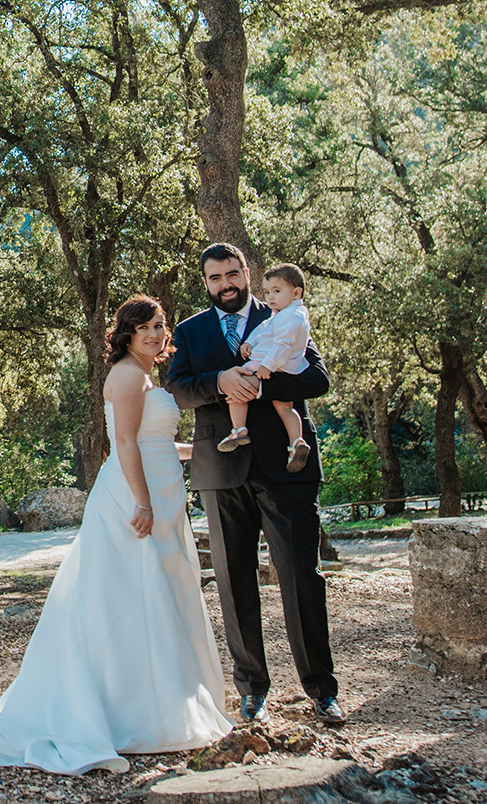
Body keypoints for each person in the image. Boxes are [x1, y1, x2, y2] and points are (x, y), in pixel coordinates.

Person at [0, 296, 231, 775]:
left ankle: (156, 705)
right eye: (144, 327)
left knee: (158, 595)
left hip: (163, 494)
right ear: (126, 334)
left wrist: (208, 449)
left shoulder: (149, 376)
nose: (154, 334)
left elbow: (156, 441)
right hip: (133, 497)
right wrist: (143, 501)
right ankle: (124, 713)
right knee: (129, 598)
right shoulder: (127, 375)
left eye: (159, 326)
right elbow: (125, 442)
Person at [166, 243, 342, 726]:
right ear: (205, 282)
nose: (225, 283)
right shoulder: (188, 331)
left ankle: (321, 690)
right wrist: (221, 381)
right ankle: (252, 690)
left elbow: (318, 380)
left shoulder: (284, 313)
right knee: (233, 582)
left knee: (301, 578)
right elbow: (179, 390)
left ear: (247, 273)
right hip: (220, 475)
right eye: (215, 277)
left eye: (232, 274)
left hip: (286, 470)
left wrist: (261, 386)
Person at [220, 263, 313, 473]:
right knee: (286, 408)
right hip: (286, 370)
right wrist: (250, 343)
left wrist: (266, 367)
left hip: (268, 365)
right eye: (267, 292)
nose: (270, 297)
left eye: (277, 291)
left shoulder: (290, 317)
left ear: (296, 292)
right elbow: (263, 329)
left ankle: (238, 430)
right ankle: (297, 442)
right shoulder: (286, 314)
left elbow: (282, 345)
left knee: (236, 392)